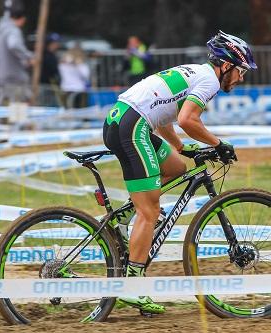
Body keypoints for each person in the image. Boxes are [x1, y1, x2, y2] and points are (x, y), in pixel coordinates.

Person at [102, 31, 257, 314]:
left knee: (176, 167)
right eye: (241, 71)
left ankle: (122, 220)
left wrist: (182, 148)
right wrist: (218, 144)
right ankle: (133, 286)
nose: (241, 78)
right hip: (132, 127)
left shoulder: (196, 74)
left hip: (126, 120)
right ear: (226, 65)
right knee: (150, 212)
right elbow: (188, 119)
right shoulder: (209, 80)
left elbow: (165, 121)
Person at [0, 8, 33, 105]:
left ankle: (3, 120)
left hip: (3, 75)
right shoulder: (13, 30)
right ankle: (16, 121)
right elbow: (14, 45)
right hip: (15, 76)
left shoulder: (0, 31)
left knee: (4, 107)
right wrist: (28, 56)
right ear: (21, 19)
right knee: (17, 109)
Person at [58, 43, 90, 108]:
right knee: (74, 110)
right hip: (74, 89)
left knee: (78, 110)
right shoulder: (78, 64)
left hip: (75, 89)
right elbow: (86, 75)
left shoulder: (79, 64)